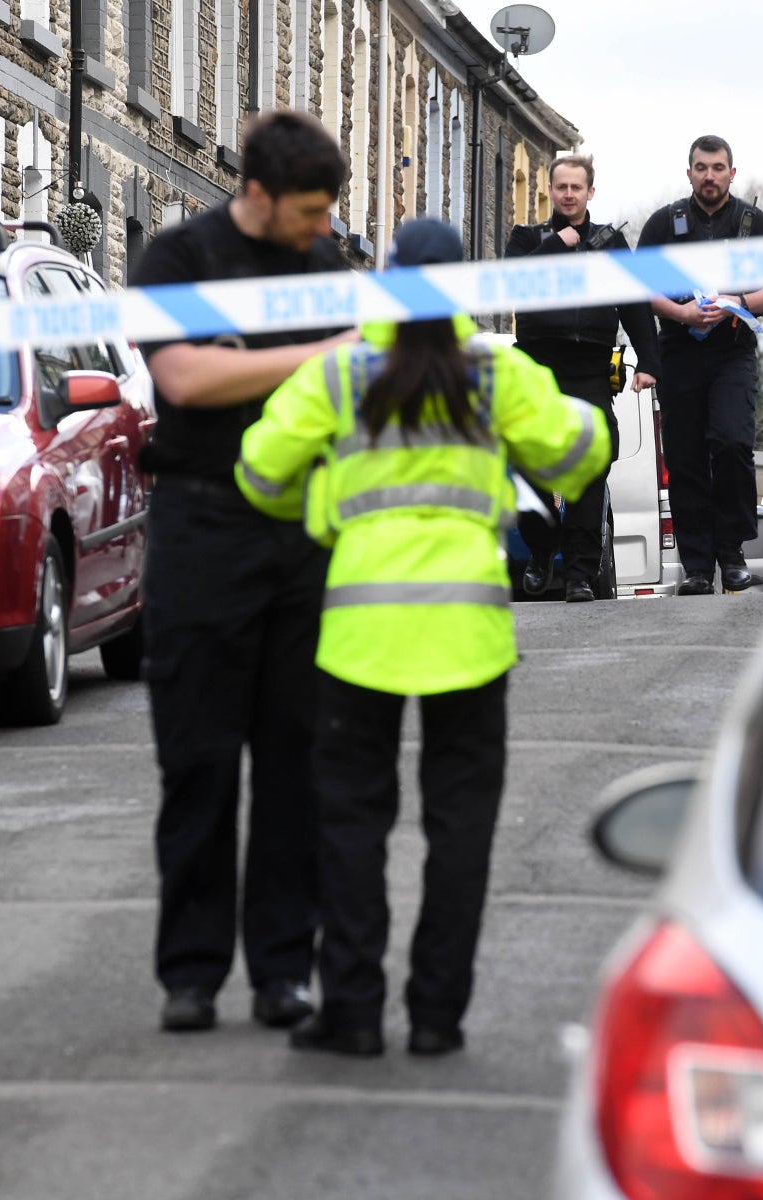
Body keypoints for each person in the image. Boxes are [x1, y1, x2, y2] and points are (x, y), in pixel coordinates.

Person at [235, 218, 610, 1057]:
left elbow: (259, 470)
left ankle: (354, 1013)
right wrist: (583, 408)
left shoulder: (340, 373)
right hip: (467, 631)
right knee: (461, 828)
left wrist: (326, 491)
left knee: (351, 825)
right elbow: (579, 453)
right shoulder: (495, 372)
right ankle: (438, 1016)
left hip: (360, 634)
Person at [130, 110, 355, 1035]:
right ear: (255, 192)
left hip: (304, 532)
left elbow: (336, 387)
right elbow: (183, 382)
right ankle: (190, 973)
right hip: (200, 526)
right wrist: (320, 357)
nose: (320, 228)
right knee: (198, 762)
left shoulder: (326, 268)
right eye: (308, 211)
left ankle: (281, 973)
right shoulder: (178, 261)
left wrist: (248, 363)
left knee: (297, 764)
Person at [636, 134, 763, 596]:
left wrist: (737, 303)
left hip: (732, 352)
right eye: (701, 168)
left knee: (731, 444)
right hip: (680, 353)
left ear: (732, 172)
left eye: (718, 167)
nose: (710, 176)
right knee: (684, 460)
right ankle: (698, 567)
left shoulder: (753, 223)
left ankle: (733, 554)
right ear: (689, 173)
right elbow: (639, 287)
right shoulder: (664, 224)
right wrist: (681, 312)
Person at [505, 154, 661, 603]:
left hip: (589, 367)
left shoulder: (611, 244)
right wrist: (559, 245)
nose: (569, 195)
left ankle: (578, 573)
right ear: (550, 191)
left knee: (592, 466)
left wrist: (650, 362)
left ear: (590, 192)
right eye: (561, 187)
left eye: (577, 187)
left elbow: (634, 305)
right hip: (536, 366)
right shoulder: (527, 238)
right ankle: (541, 546)